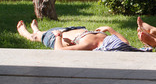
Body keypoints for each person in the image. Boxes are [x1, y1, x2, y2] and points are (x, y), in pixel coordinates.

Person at [17, 20, 148, 52]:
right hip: (76, 30)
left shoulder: (88, 45)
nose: (114, 40)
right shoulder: (115, 42)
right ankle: (36, 29)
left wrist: (58, 36)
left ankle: (27, 33)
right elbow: (126, 42)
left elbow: (60, 50)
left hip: (58, 37)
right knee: (42, 32)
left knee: (39, 36)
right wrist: (109, 29)